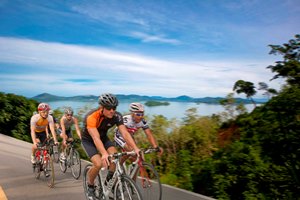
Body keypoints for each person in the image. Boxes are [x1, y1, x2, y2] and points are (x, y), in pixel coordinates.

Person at [81, 93, 141, 200]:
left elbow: (125, 133)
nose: (112, 110)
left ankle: (110, 181)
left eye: (114, 108)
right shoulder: (92, 117)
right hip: (89, 140)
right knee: (98, 163)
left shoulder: (117, 116)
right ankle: (90, 185)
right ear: (102, 107)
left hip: (103, 138)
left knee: (115, 157)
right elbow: (95, 138)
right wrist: (104, 153)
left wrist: (135, 148)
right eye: (109, 108)